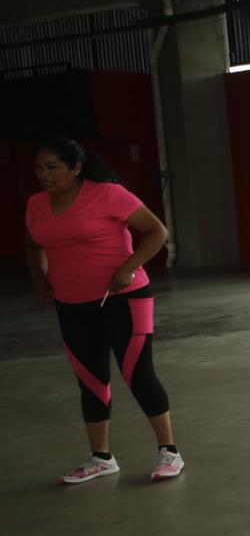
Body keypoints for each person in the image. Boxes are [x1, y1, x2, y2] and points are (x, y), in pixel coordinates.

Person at [24, 137, 182, 484]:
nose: (45, 175)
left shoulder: (108, 193)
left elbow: (157, 231)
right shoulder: (37, 204)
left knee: (138, 374)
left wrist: (129, 266)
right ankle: (101, 458)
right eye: (39, 168)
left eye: (53, 167)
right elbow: (34, 245)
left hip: (124, 298)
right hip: (71, 303)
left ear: (76, 168)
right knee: (91, 380)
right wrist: (41, 279)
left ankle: (169, 452)